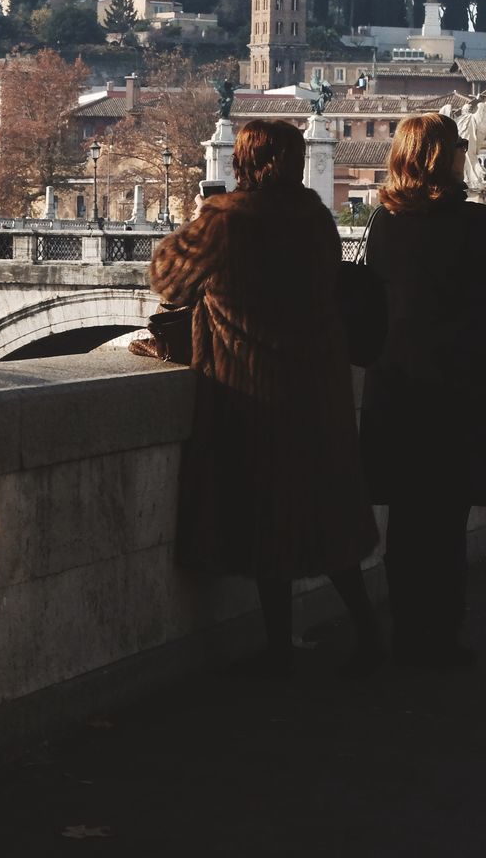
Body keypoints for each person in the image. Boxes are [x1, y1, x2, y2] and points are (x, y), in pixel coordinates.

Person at [150, 119, 381, 677]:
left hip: (250, 390)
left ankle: (279, 649)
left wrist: (192, 222)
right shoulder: (315, 218)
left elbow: (168, 280)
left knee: (262, 515)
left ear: (242, 160)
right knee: (321, 516)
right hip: (315, 389)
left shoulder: (226, 219)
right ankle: (369, 628)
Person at [358, 113, 486, 669]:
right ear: (442, 157)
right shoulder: (474, 222)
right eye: (458, 145)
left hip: (398, 387)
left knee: (406, 520)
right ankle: (442, 635)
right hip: (459, 386)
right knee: (446, 519)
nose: (464, 151)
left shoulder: (384, 222)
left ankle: (406, 632)